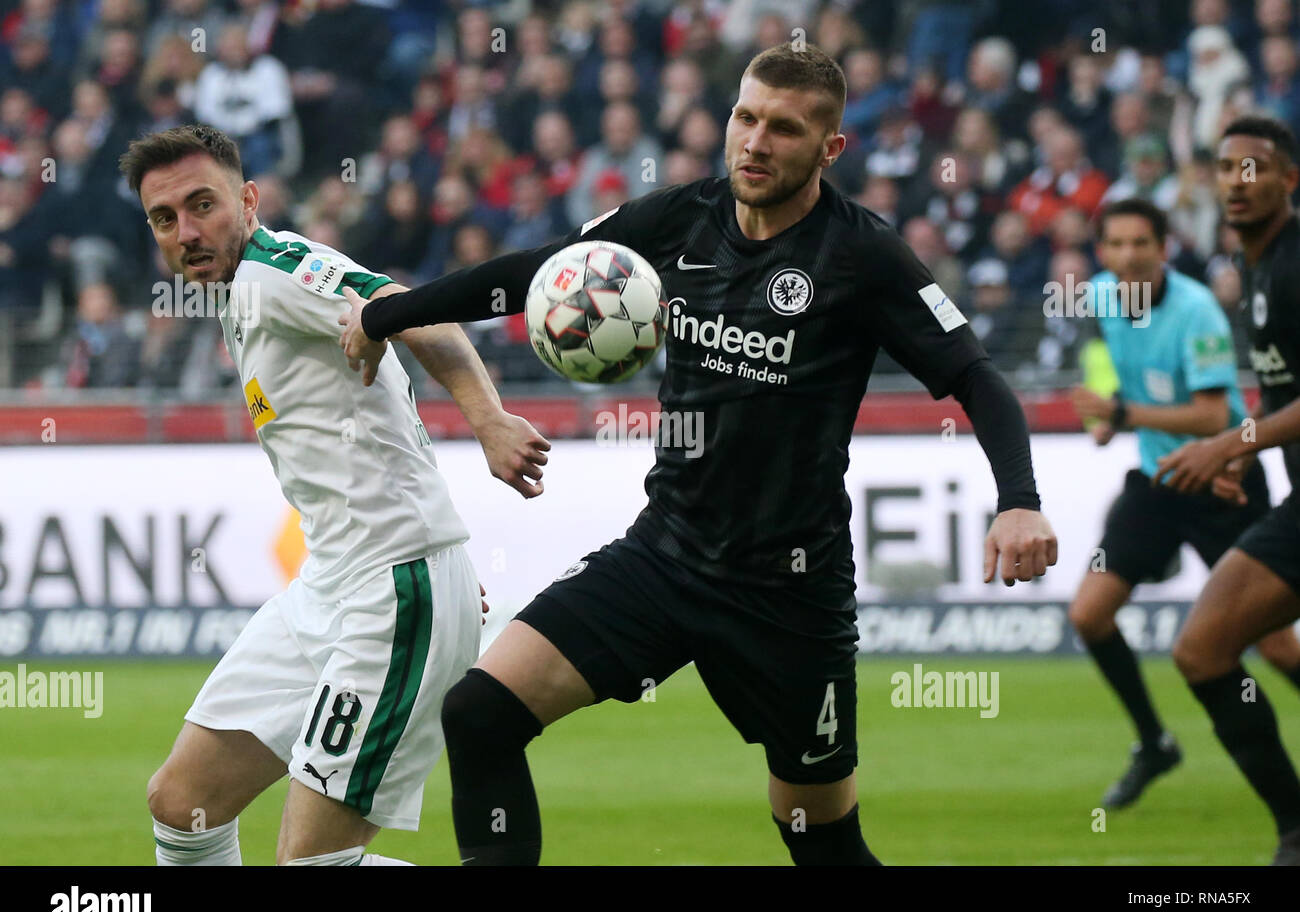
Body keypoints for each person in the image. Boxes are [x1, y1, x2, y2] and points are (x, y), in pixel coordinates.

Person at [341, 43, 1057, 866]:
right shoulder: (679, 218)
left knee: (819, 839)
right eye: (745, 117)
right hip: (666, 555)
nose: (755, 142)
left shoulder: (863, 256)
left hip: (789, 592)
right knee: (478, 714)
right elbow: (535, 275)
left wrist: (1019, 498)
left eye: (784, 129)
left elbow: (977, 378)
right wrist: (389, 311)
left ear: (831, 148)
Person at [119, 124, 549, 865]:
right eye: (165, 218)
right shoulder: (235, 295)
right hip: (335, 580)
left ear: (248, 200)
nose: (186, 232)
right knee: (183, 803)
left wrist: (488, 422)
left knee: (310, 863)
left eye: (202, 205)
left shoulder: (274, 271)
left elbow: (410, 308)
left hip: (391, 590)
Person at [1069, 197, 1300, 811]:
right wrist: (1105, 403)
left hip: (1223, 477)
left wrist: (1123, 413)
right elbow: (1102, 367)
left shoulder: (1197, 309)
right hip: (1156, 482)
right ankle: (1155, 743)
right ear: (1102, 253)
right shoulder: (1098, 296)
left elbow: (1207, 415)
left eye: (1139, 243)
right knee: (1089, 614)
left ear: (1163, 246)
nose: (1127, 256)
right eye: (1114, 245)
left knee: (1275, 645)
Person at [1154, 115, 1300, 865]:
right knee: (1203, 651)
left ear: (1289, 181)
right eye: (1225, 168)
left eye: (1256, 168)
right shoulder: (1257, 267)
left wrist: (1229, 442)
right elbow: (1284, 391)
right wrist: (1251, 448)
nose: (1237, 183)